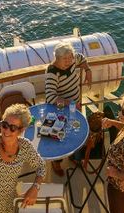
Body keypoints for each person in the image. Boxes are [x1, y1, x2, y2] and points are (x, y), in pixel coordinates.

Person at [44, 41, 92, 175]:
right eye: (65, 59)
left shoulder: (72, 59)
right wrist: (70, 102)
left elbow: (81, 58)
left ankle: (73, 156)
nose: (70, 61)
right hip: (59, 109)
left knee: (74, 131)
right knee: (58, 136)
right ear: (57, 58)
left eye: (70, 57)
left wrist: (87, 70)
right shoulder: (52, 73)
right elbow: (51, 97)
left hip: (74, 106)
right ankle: (56, 162)